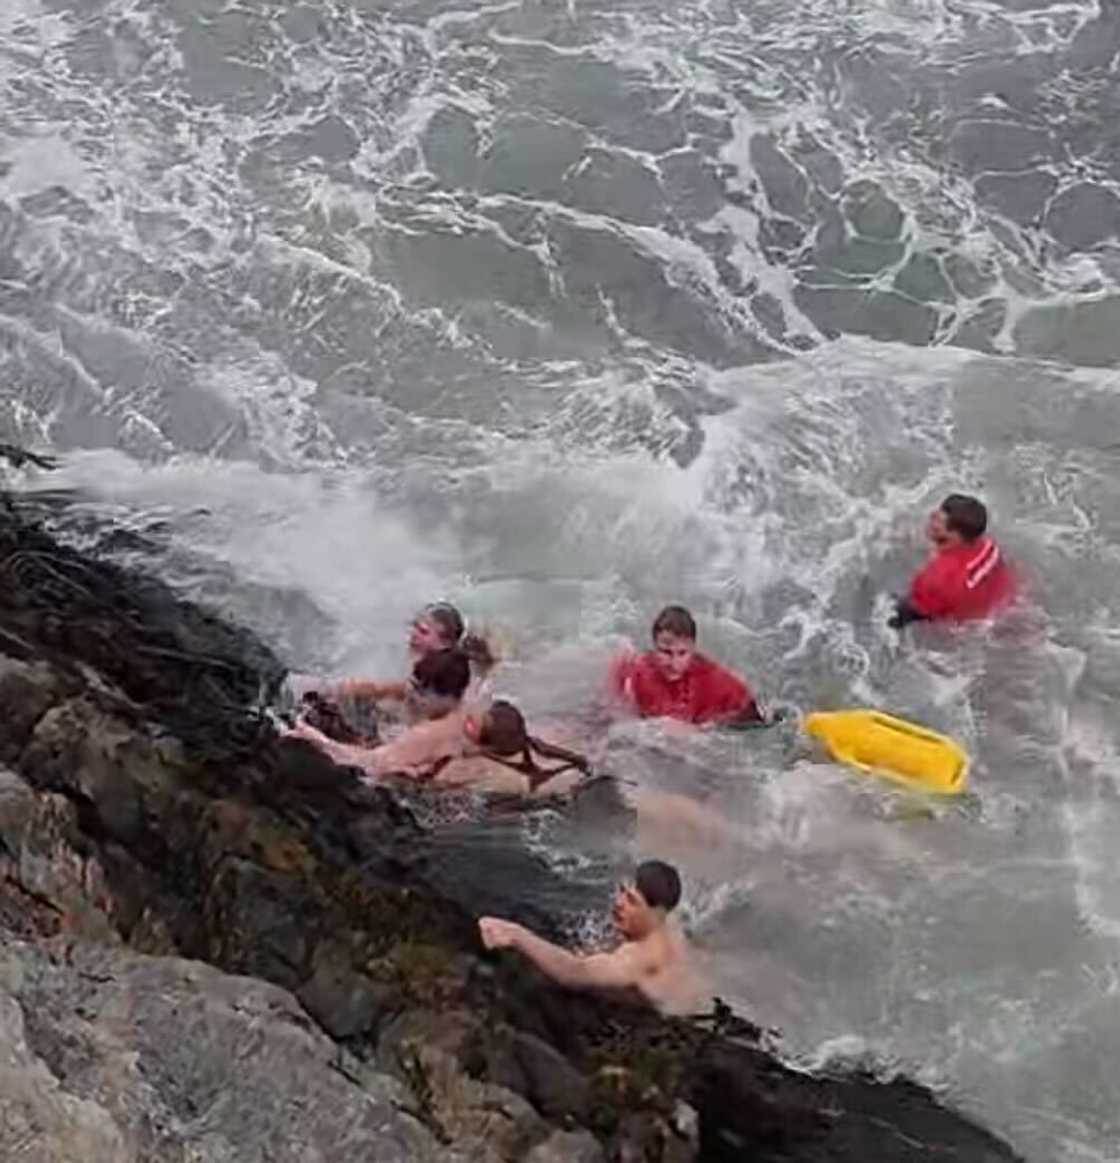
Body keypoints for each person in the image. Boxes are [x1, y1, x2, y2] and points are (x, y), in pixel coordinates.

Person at [478, 860, 705, 1015]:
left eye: (632, 901)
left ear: (657, 913)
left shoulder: (638, 958)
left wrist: (514, 934)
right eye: (622, 892)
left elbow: (574, 973)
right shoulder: (673, 927)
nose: (619, 903)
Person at [283, 647, 473, 779]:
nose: (412, 695)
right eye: (413, 685)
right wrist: (320, 687)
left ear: (451, 698)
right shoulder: (460, 706)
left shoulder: (428, 734)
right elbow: (374, 688)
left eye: (421, 693)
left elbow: (369, 765)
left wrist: (317, 739)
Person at [608, 605, 762, 727]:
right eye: (666, 652)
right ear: (654, 646)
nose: (674, 663)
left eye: (682, 653)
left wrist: (703, 729)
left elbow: (753, 715)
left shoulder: (712, 679)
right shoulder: (637, 670)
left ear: (693, 649)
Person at [890, 494, 1016, 629]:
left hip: (968, 627)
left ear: (953, 535)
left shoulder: (935, 579)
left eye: (937, 521)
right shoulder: (988, 545)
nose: (931, 517)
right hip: (1002, 607)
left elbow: (901, 615)